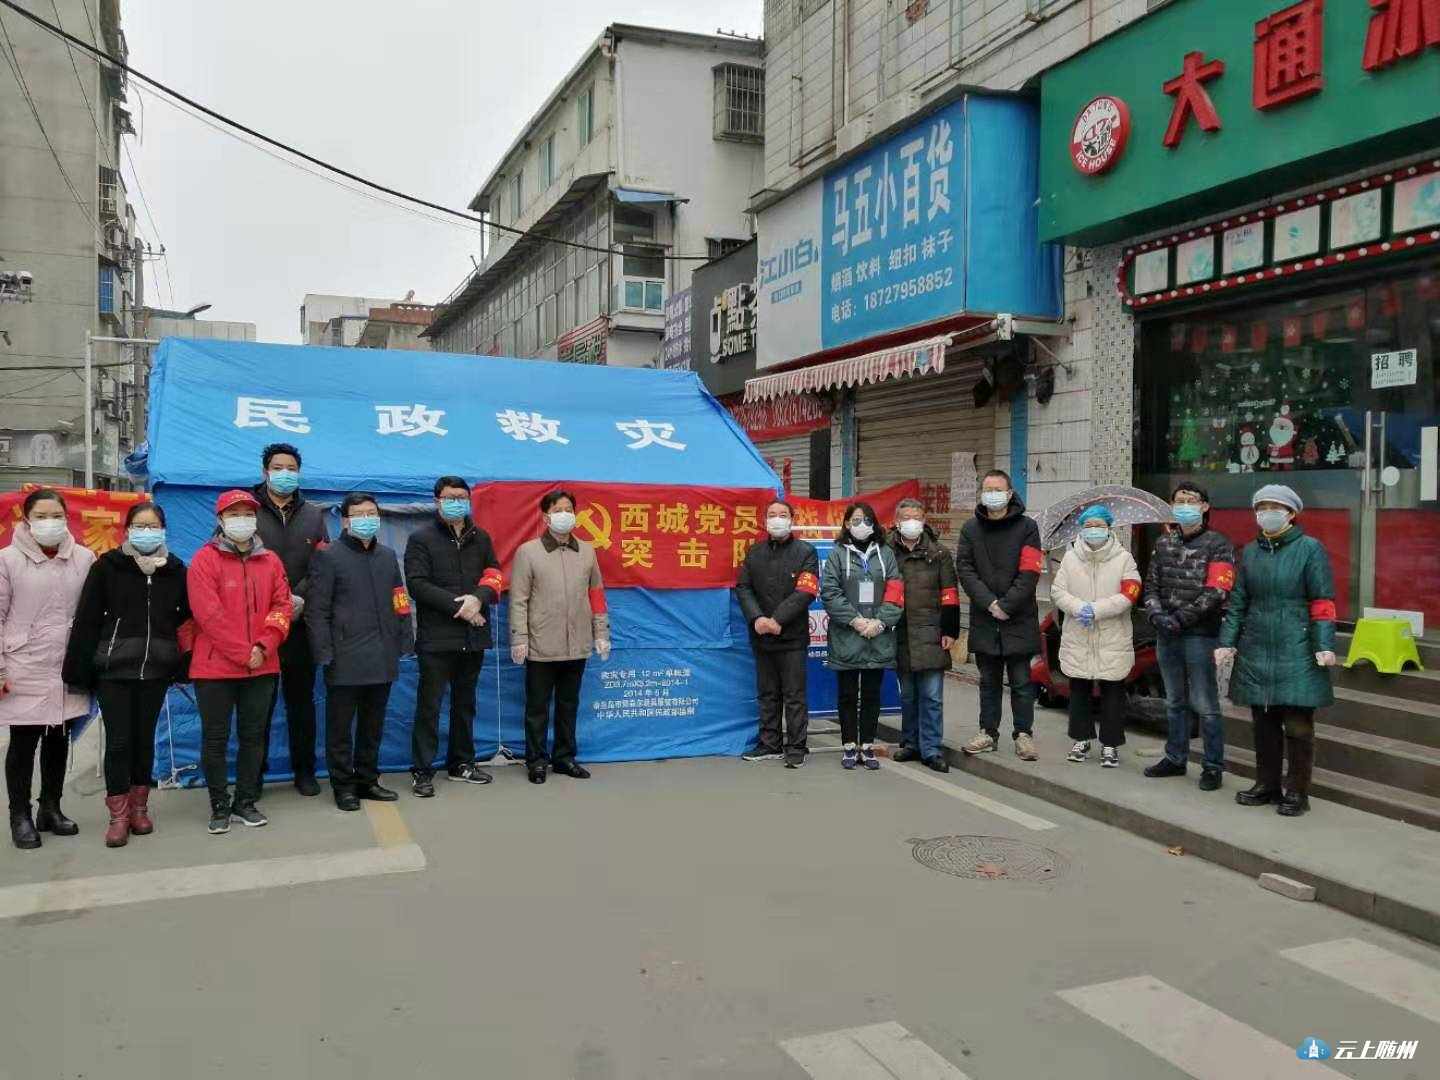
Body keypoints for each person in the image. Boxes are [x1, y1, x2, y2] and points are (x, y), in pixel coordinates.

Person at [63, 502, 190, 847]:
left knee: (144, 740)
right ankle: (117, 815)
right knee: (119, 742)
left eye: (153, 526)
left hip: (156, 670)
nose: (146, 532)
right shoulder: (107, 567)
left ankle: (139, 809)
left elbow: (185, 619)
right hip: (114, 670)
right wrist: (79, 671)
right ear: (127, 530)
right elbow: (88, 619)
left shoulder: (176, 570)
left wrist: (177, 659)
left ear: (163, 530)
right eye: (140, 526)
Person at [1217, 484, 1337, 817]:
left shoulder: (1310, 549)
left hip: (1297, 646)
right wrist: (1227, 641)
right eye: (1261, 507)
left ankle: (1297, 792)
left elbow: (1322, 601)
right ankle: (1267, 784)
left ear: (1291, 513)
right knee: (1264, 724)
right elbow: (1238, 602)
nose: (1266, 513)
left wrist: (1324, 644)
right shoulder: (1250, 552)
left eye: (1274, 507)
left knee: (1298, 726)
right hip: (1256, 645)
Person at [188, 489, 293, 834]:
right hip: (214, 668)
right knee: (215, 739)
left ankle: (245, 801)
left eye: (248, 514)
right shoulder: (204, 560)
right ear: (220, 520)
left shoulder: (271, 561)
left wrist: (264, 645)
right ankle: (219, 805)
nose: (242, 520)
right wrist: (242, 653)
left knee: (253, 737)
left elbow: (282, 606)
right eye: (234, 514)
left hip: (263, 664)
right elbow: (208, 614)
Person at [306, 494, 414, 811]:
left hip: (383, 654)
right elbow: (316, 610)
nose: (367, 519)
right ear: (345, 520)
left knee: (373, 725)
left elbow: (399, 599)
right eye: (359, 514)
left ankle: (368, 780)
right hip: (344, 656)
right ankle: (343, 786)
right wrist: (324, 652)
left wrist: (404, 638)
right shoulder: (329, 556)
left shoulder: (387, 556)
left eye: (371, 513)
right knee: (340, 729)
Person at [2, 489, 95, 849]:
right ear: (26, 519)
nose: (50, 523)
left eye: (56, 515)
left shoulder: (83, 558)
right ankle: (19, 814)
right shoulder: (7, 561)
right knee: (23, 744)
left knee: (59, 739)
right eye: (41, 516)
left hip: (67, 665)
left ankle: (50, 807)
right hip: (23, 664)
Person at [404, 476, 502, 797]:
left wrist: (478, 599)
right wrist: (461, 607)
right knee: (429, 706)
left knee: (465, 704)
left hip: (473, 637)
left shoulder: (482, 538)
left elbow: (494, 574)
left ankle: (461, 763)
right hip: (436, 638)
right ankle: (422, 770)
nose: (456, 502)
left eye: (461, 497)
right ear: (437, 501)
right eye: (449, 497)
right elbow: (417, 584)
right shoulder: (421, 538)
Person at [509, 490, 610, 785]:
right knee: (537, 707)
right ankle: (537, 761)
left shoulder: (587, 551)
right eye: (557, 510)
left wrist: (601, 633)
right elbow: (518, 600)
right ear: (546, 517)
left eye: (568, 509)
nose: (564, 515)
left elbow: (596, 594)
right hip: (541, 643)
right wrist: (519, 638)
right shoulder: (528, 552)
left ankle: (565, 758)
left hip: (577, 642)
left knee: (569, 704)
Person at [1141, 482, 1235, 791]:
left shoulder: (1219, 544)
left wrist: (1180, 619)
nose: (1184, 506)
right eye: (1179, 501)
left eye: (1191, 500)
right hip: (1166, 633)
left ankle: (1212, 765)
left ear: (1205, 507)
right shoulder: (1163, 543)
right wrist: (1156, 615)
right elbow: (1151, 584)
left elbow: (1217, 591)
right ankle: (1175, 757)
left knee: (1206, 704)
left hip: (1200, 634)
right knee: (1174, 701)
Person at [253, 443, 330, 797]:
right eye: (278, 467)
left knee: (301, 704)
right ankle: (254, 774)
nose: (285, 474)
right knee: (258, 706)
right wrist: (277, 602)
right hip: (259, 625)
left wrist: (298, 598)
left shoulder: (313, 515)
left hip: (300, 624)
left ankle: (305, 771)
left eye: (291, 468)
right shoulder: (247, 511)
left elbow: (323, 563)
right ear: (265, 471)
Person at [955, 470, 1043, 761]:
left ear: (1009, 494)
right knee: (988, 682)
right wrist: (990, 603)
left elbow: (1029, 572)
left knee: (1021, 682)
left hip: (1019, 617)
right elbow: (965, 569)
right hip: (985, 617)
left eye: (997, 489)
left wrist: (1007, 605)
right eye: (987, 489)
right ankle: (987, 733)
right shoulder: (970, 529)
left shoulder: (1027, 527)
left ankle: (1024, 735)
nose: (992, 494)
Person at [1050, 506, 1142, 770]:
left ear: (1109, 528)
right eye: (1088, 525)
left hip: (1112, 636)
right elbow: (1058, 591)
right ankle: (1081, 739)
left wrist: (1098, 610)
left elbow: (1131, 592)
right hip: (1079, 634)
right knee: (1079, 689)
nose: (1093, 530)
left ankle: (1110, 744)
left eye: (1099, 525)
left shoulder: (1124, 559)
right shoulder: (1070, 558)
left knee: (1112, 691)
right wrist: (1079, 608)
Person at [735, 499, 819, 768]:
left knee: (794, 696)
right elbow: (743, 587)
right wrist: (758, 618)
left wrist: (777, 619)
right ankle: (769, 743)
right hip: (761, 635)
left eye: (783, 514)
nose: (777, 519)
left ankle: (796, 747)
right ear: (765, 520)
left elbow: (806, 591)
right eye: (772, 514)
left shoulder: (806, 552)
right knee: (767, 693)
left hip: (792, 637)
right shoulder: (754, 552)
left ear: (792, 520)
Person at [821, 501, 904, 771]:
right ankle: (848, 745)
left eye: (867, 520)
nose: (861, 525)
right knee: (847, 694)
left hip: (878, 636)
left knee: (871, 694)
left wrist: (881, 622)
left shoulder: (886, 553)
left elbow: (895, 590)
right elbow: (830, 592)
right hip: (847, 635)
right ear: (847, 524)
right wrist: (855, 621)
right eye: (856, 520)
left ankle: (866, 745)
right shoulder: (837, 554)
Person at [890, 499, 961, 772]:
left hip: (932, 631)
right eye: (905, 516)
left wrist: (950, 630)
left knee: (932, 697)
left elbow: (950, 593)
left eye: (916, 516)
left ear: (924, 520)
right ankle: (910, 743)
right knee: (908, 696)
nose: (911, 521)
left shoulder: (939, 553)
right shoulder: (886, 551)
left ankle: (932, 749)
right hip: (901, 631)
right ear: (896, 521)